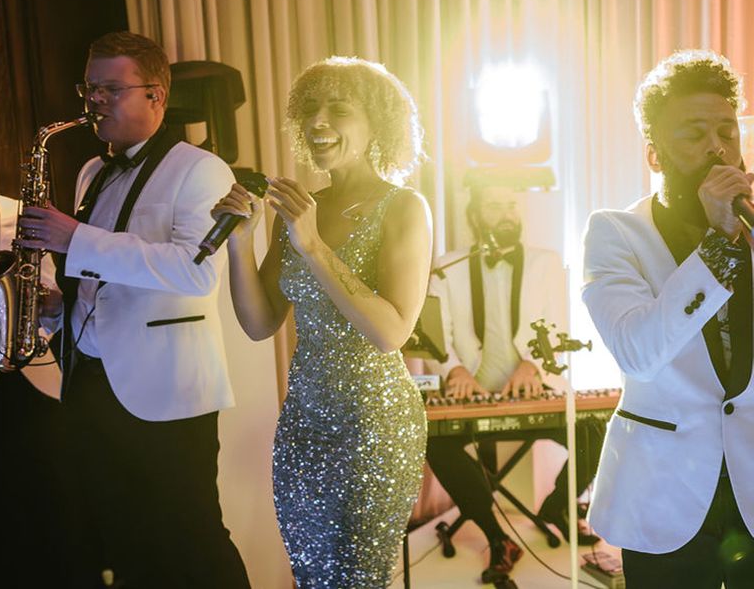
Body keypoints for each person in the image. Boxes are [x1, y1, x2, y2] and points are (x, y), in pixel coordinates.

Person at [18, 31, 251, 588]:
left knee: (192, 540)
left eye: (110, 89)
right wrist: (54, 306)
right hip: (93, 384)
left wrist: (74, 238)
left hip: (166, 391)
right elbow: (104, 280)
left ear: (156, 95)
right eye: (89, 88)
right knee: (124, 544)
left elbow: (193, 271)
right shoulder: (92, 173)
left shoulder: (202, 170)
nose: (94, 102)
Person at [212, 56, 432, 587]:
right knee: (313, 576)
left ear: (377, 123)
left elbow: (390, 332)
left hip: (374, 425)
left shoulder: (404, 207)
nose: (318, 122)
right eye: (309, 110)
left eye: (339, 109)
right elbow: (260, 323)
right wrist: (240, 244)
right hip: (304, 424)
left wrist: (310, 244)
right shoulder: (301, 208)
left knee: (357, 578)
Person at [582, 49, 754, 588]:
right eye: (694, 133)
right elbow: (638, 351)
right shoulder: (615, 233)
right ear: (654, 155)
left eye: (727, 129)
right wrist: (720, 246)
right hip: (663, 492)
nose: (717, 147)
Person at [426, 179, 604, 581]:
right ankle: (496, 536)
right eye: (494, 205)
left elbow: (556, 328)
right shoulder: (447, 266)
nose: (507, 213)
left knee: (594, 431)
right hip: (469, 395)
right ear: (474, 215)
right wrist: (454, 371)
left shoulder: (546, 262)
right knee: (436, 442)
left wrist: (534, 366)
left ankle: (558, 506)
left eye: (511, 205)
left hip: (535, 391)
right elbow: (441, 335)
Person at [0, 192, 74, 588]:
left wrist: (50, 304)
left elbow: (60, 316)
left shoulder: (11, 216)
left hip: (17, 407)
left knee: (39, 546)